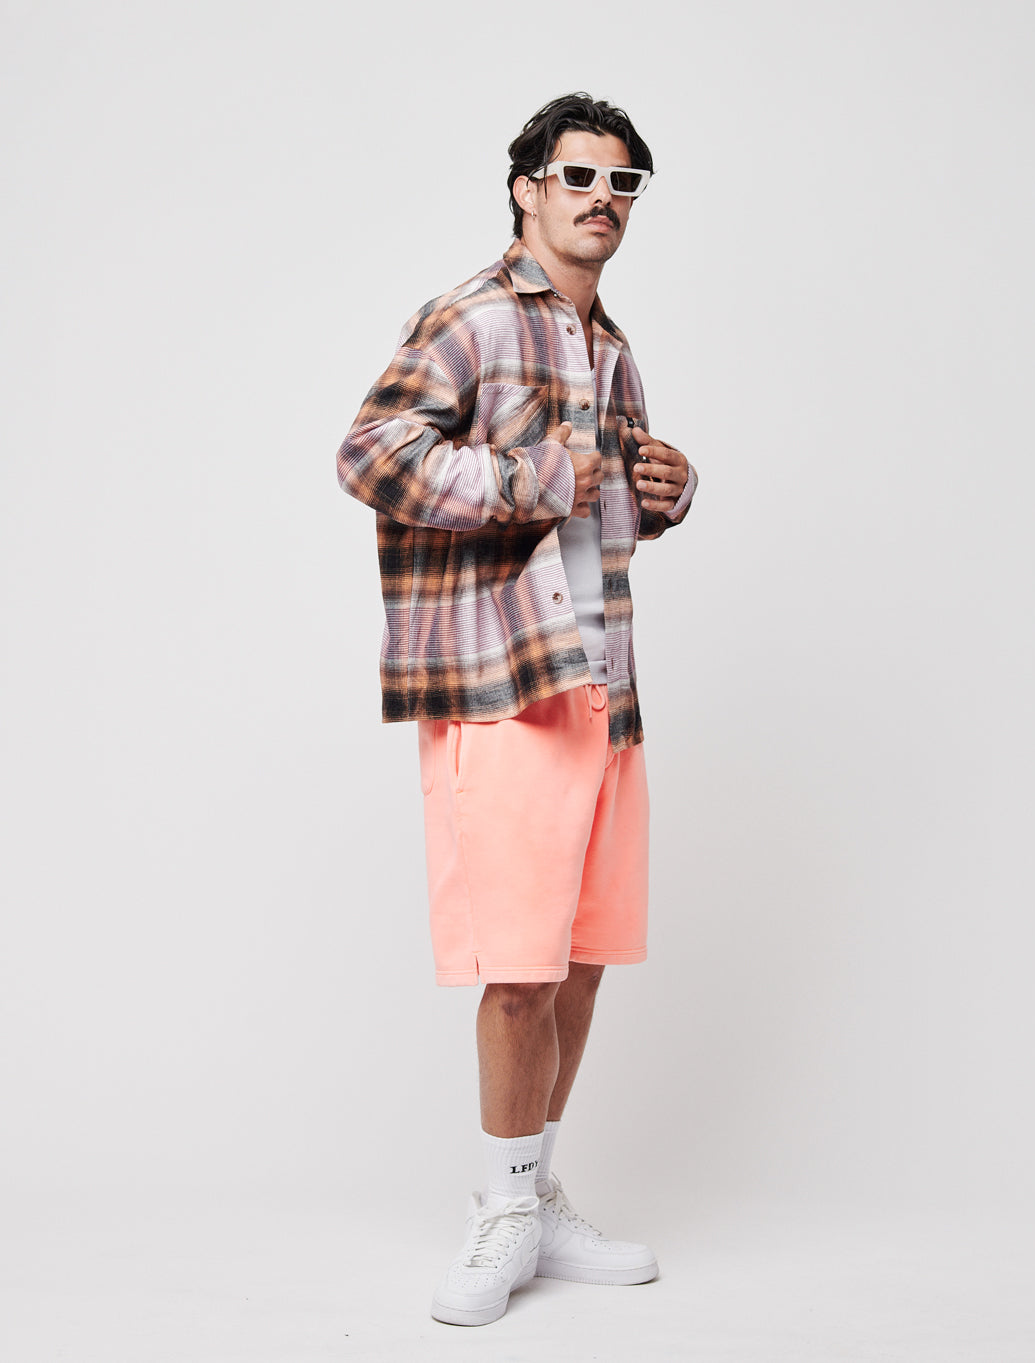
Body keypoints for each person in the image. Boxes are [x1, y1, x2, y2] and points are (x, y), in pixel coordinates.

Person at [336, 92, 698, 1327]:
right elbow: (371, 452)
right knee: (520, 969)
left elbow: (603, 505)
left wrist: (666, 490)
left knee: (582, 960)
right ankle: (497, 1212)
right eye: (577, 176)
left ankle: (535, 1196)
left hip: (603, 682)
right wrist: (536, 472)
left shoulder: (610, 346)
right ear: (525, 189)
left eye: (622, 182)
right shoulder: (473, 316)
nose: (602, 198)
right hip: (505, 686)